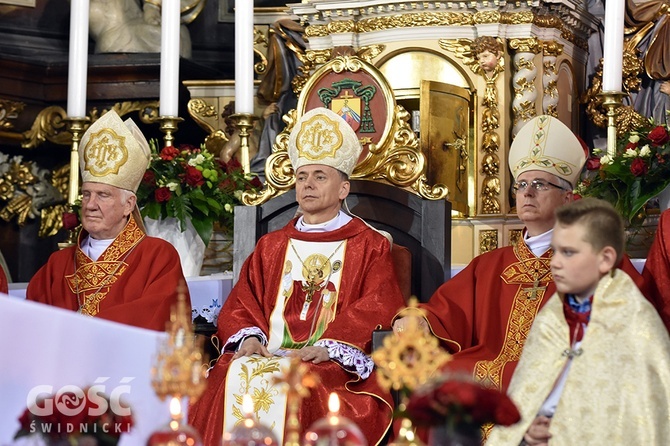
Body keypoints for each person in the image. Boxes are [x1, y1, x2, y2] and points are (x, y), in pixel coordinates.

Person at [188, 107, 405, 445]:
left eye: (320, 176)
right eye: (302, 176)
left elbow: (379, 304)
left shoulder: (368, 244)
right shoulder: (272, 245)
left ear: (343, 188)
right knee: (228, 372)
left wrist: (329, 347)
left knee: (302, 383)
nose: (308, 185)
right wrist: (248, 339)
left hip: (325, 361)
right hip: (267, 352)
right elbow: (243, 302)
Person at [392, 115, 643, 392]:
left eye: (540, 184)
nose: (527, 193)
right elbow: (446, 313)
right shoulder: (488, 266)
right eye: (521, 185)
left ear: (569, 198)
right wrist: (419, 320)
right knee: (442, 374)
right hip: (491, 378)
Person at [487, 198, 670, 445]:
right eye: (555, 250)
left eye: (568, 252)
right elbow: (527, 398)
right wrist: (526, 431)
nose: (555, 263)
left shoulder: (634, 321)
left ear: (605, 259)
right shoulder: (551, 318)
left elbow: (639, 420)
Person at [26, 110, 188, 331]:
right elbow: (31, 323)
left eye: (103, 195)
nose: (90, 204)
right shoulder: (58, 264)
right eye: (86, 194)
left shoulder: (157, 256)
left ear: (128, 205)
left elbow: (162, 315)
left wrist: (84, 327)